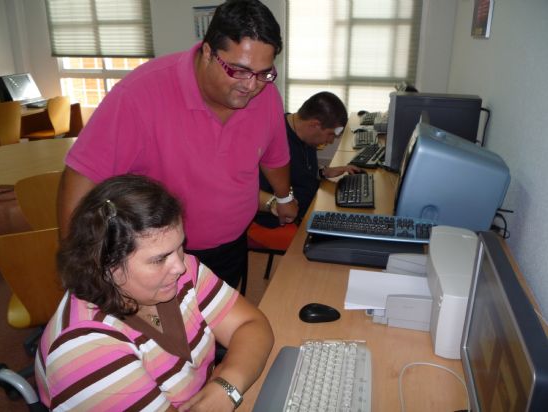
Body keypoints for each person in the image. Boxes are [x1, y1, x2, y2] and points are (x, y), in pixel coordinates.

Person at [57, 0, 298, 290]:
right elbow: (81, 176)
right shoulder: (139, 95)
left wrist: (284, 198)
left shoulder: (265, 94)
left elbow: (274, 156)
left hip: (232, 245)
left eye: (263, 73)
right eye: (239, 70)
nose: (251, 85)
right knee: (167, 332)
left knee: (216, 329)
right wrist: (81, 268)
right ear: (208, 52)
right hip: (159, 257)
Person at [36, 174, 274, 411]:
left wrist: (226, 386)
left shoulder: (178, 274)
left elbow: (252, 325)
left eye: (180, 246)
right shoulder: (84, 350)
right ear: (108, 267)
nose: (180, 265)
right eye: (159, 259)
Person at [249, 92, 363, 249]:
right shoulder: (272, 138)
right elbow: (249, 193)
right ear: (314, 125)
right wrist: (277, 204)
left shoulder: (304, 136)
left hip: (306, 211)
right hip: (270, 222)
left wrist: (323, 172)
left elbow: (297, 171)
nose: (330, 141)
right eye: (330, 134)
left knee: (348, 227)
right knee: (330, 247)